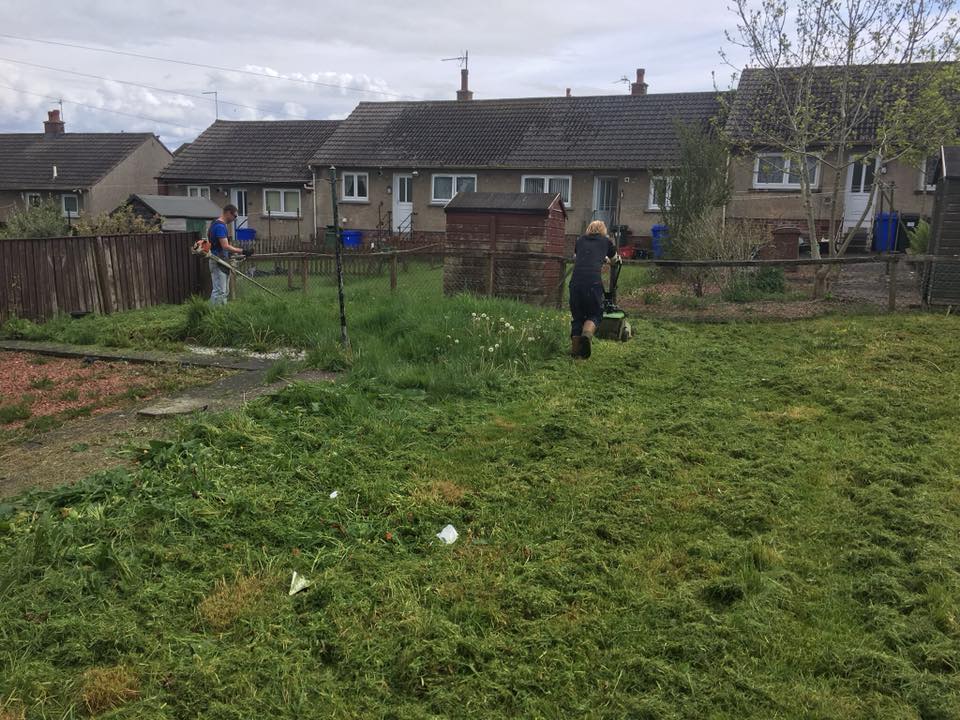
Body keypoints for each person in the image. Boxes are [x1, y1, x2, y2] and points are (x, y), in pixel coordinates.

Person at [569, 219, 619, 358]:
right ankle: (587, 335)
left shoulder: (580, 241)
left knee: (577, 317)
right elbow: (615, 259)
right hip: (593, 283)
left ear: (589, 229)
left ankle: (575, 352)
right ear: (603, 231)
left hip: (575, 283)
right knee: (595, 313)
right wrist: (606, 259)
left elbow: (577, 257)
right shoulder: (606, 241)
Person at [207, 204, 244, 305]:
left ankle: (222, 314)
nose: (234, 219)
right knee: (219, 291)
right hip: (217, 260)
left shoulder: (215, 223)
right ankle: (214, 316)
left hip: (221, 260)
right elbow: (225, 246)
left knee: (224, 291)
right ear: (228, 213)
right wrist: (242, 251)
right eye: (234, 216)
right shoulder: (219, 226)